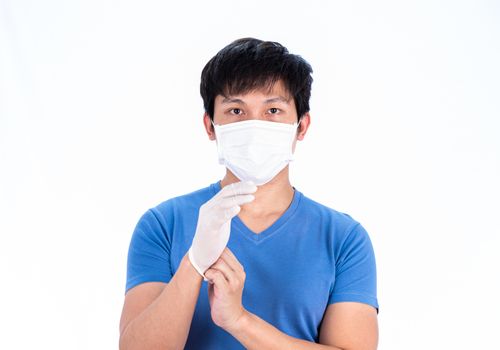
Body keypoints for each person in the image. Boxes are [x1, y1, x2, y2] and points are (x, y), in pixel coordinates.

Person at [119, 37, 379, 350]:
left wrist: (239, 321)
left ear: (301, 126)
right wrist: (194, 264)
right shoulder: (163, 224)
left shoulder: (343, 238)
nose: (255, 126)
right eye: (236, 110)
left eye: (273, 110)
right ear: (211, 126)